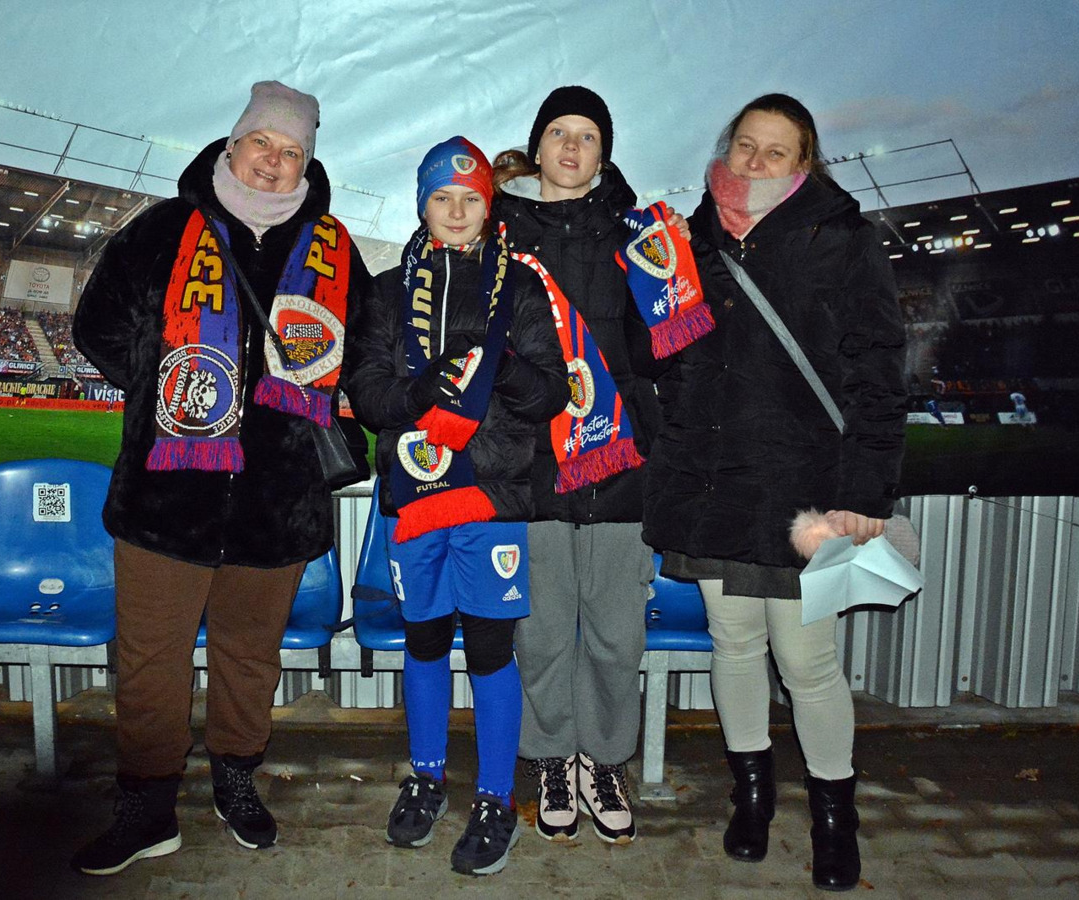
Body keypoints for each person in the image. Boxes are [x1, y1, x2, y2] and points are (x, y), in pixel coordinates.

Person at [69, 80, 371, 876]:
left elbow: (369, 350)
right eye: (261, 143)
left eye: (292, 151)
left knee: (249, 658)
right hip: (167, 496)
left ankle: (236, 779)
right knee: (149, 659)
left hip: (277, 501)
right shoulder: (163, 228)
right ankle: (147, 805)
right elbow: (96, 325)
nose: (273, 161)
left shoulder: (334, 248)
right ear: (233, 146)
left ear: (307, 163)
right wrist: (169, 391)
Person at [643, 93, 906, 891]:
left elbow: (877, 369)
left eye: (776, 150)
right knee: (733, 644)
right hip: (714, 479)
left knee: (807, 661)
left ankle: (834, 817)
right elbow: (668, 356)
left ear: (805, 162)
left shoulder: (841, 237)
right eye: (745, 145)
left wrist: (865, 491)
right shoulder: (692, 237)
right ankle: (751, 799)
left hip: (804, 491)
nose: (754, 162)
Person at [347, 136, 570, 876]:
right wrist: (420, 391)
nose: (455, 210)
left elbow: (553, 393)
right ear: (422, 205)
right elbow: (367, 395)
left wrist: (500, 366)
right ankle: (427, 777)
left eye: (470, 197)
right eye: (441, 197)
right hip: (413, 497)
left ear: (489, 204)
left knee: (490, 649)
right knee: (423, 641)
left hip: (490, 499)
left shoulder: (520, 287)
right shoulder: (386, 290)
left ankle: (497, 797)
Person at [491, 85, 673, 845]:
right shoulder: (495, 229)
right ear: (537, 145)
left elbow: (662, 349)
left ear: (604, 152)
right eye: (559, 132)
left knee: (615, 634)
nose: (572, 147)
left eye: (588, 135)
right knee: (538, 633)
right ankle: (551, 759)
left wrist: (680, 277)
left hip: (619, 461)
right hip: (531, 461)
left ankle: (604, 759)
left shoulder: (637, 231)